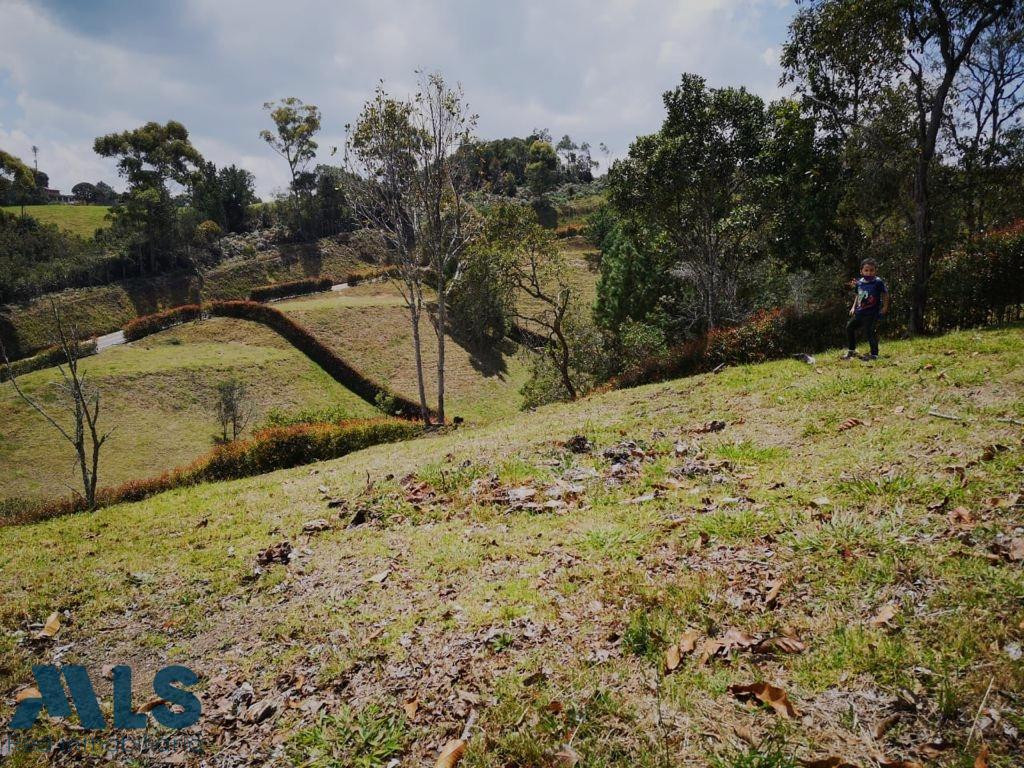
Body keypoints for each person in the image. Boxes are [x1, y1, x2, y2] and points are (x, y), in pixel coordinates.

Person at [843, 259, 889, 360]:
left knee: (870, 332)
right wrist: (853, 307)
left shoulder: (878, 282)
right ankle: (852, 351)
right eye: (866, 270)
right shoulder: (859, 283)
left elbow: (885, 294)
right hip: (860, 313)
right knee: (849, 328)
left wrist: (885, 307)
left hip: (871, 314)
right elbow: (858, 295)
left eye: (872, 270)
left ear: (875, 271)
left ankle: (874, 354)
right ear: (861, 271)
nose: (869, 273)